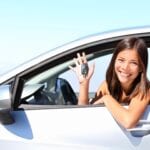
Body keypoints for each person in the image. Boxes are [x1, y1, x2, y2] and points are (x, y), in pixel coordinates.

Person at [69, 37, 150, 129]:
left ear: (141, 68)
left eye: (133, 63)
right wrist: (84, 83)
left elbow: (129, 122)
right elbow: (85, 115)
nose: (125, 67)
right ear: (114, 60)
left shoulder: (145, 90)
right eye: (121, 60)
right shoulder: (107, 85)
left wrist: (107, 99)